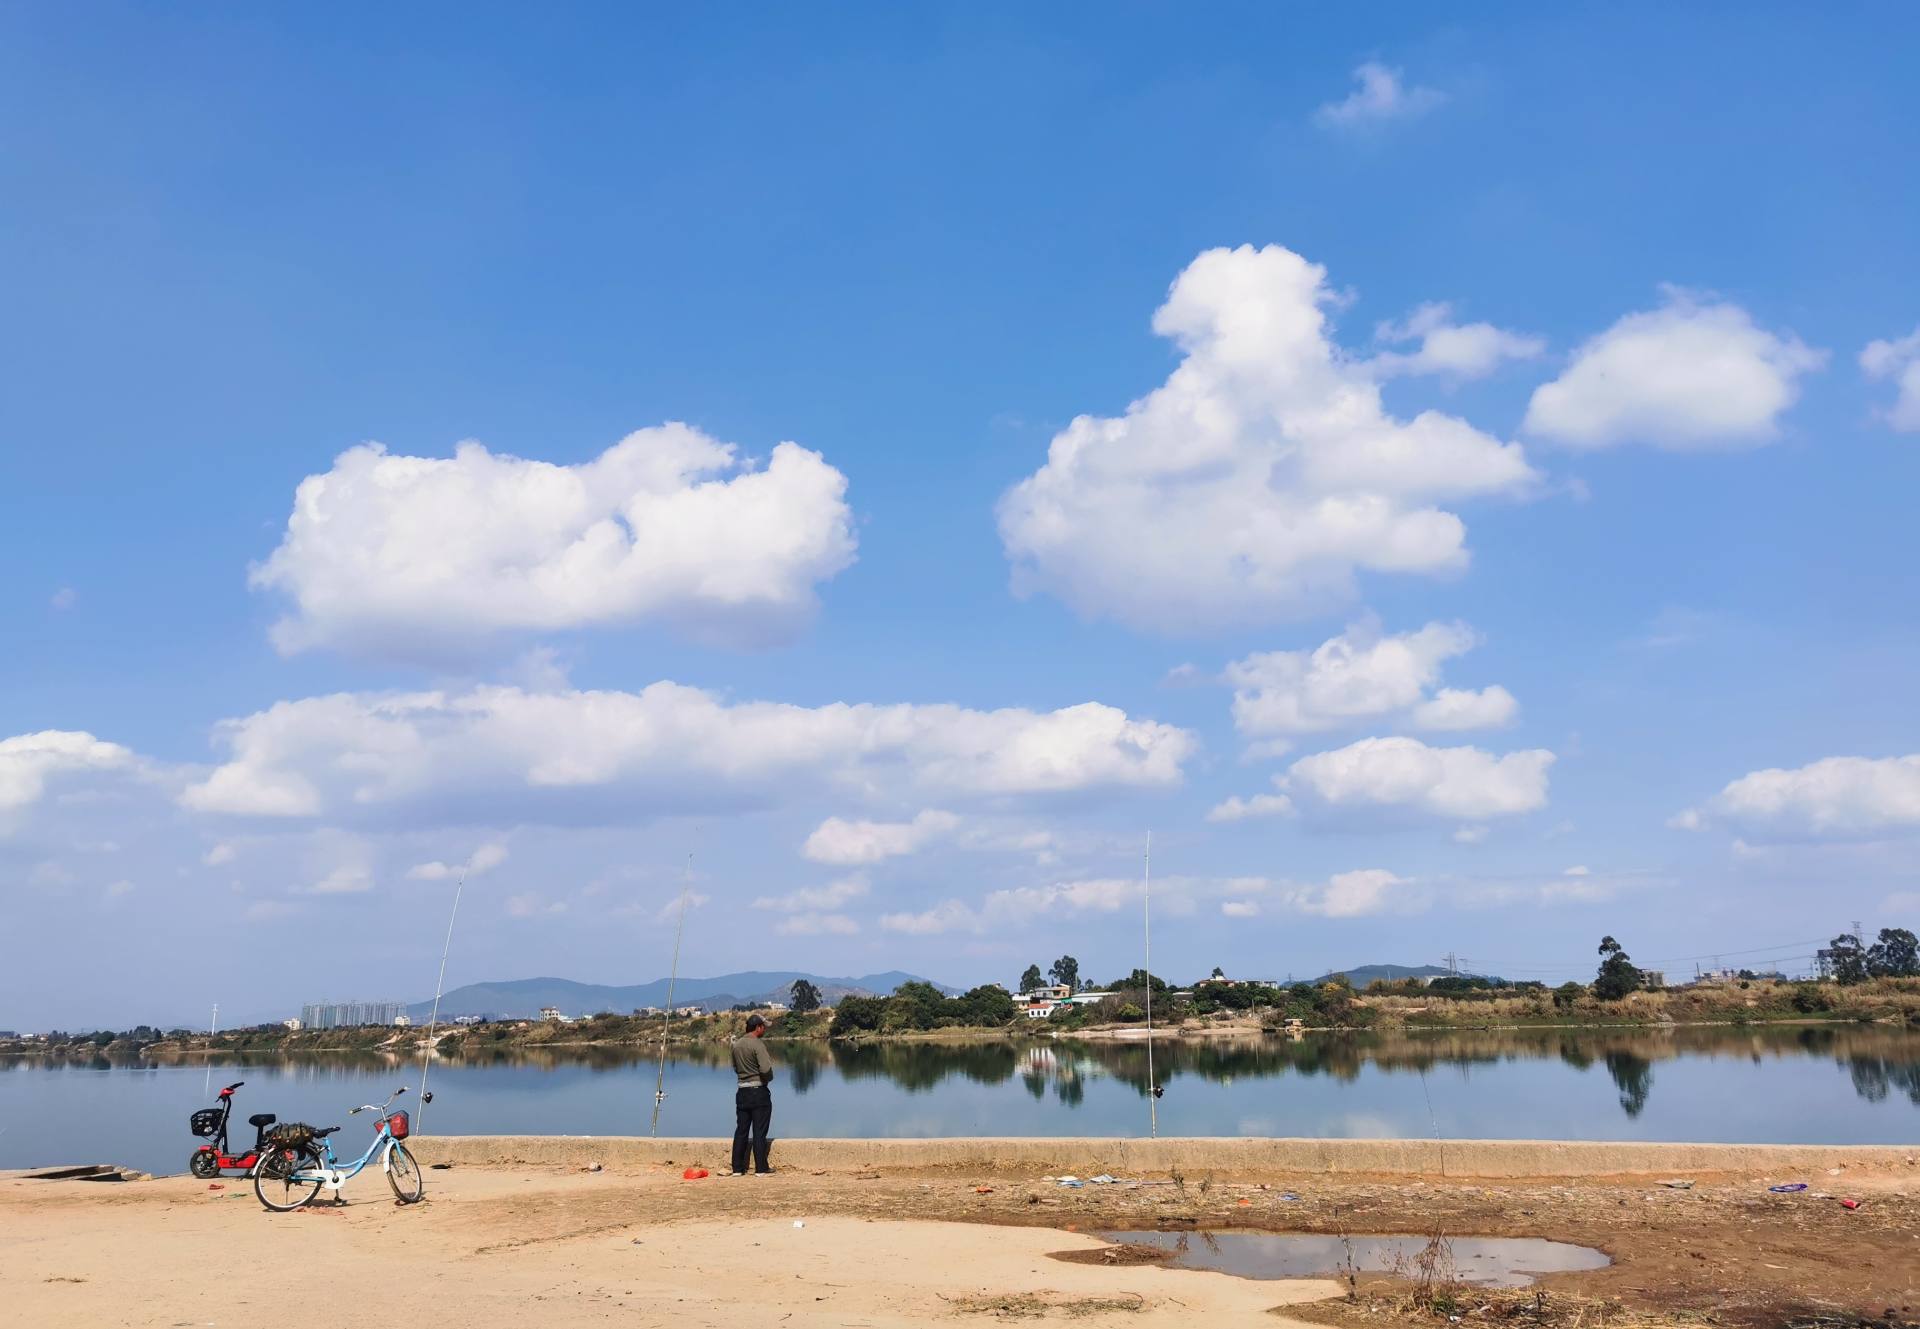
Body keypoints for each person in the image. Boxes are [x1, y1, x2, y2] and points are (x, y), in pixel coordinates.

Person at [729, 1013, 775, 1175]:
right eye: (763, 1027)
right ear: (758, 1028)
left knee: (741, 1130)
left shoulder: (736, 1045)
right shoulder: (758, 1045)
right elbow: (765, 1069)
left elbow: (735, 1067)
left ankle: (737, 1168)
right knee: (759, 1131)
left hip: (742, 1092)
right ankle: (761, 1168)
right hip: (758, 1092)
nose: (765, 1030)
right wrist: (768, 1079)